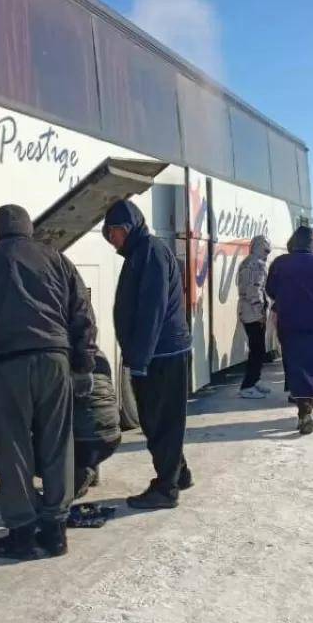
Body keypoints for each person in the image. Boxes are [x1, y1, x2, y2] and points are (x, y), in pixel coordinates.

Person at [0, 204, 96, 560]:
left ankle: (22, 535)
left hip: (5, 366)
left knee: (11, 448)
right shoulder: (57, 260)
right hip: (55, 361)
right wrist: (83, 366)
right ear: (29, 229)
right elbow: (82, 314)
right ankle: (56, 533)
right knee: (57, 443)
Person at [102, 200, 194, 509]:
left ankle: (166, 489)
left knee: (160, 422)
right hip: (160, 352)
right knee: (161, 420)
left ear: (126, 228)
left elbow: (151, 310)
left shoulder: (150, 252)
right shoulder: (141, 252)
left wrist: (139, 359)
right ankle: (179, 473)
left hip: (162, 354)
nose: (109, 238)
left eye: (111, 231)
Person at [265, 226, 313, 434]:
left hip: (289, 319)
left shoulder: (280, 263)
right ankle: (309, 404)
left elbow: (270, 289)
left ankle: (303, 407)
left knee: (294, 362)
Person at [72, 349, 121, 498]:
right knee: (92, 414)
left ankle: (78, 473)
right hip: (112, 440)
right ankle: (91, 470)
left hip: (81, 445)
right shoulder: (101, 356)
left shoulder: (59, 357)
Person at [236, 235, 273, 399]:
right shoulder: (257, 265)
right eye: (266, 251)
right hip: (253, 312)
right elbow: (255, 291)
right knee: (257, 350)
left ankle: (254, 381)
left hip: (246, 310)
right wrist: (260, 311)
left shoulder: (246, 262)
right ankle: (248, 385)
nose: (267, 254)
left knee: (257, 349)